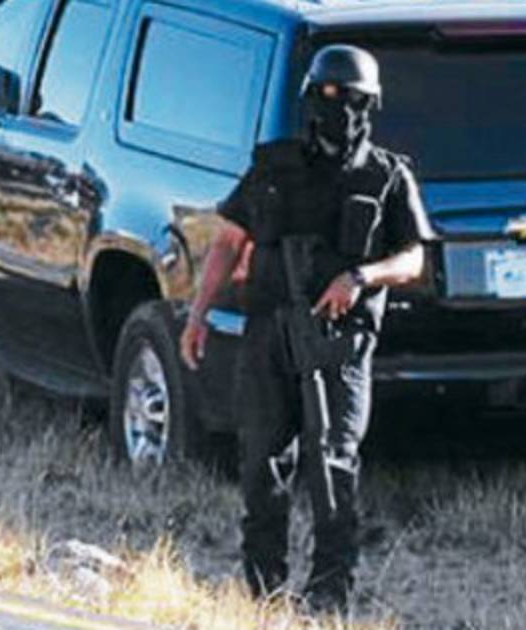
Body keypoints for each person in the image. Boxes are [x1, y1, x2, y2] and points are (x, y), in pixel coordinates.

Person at [179, 44, 431, 612]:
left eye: (351, 99)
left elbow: (413, 259)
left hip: (340, 341)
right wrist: (197, 315)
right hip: (269, 334)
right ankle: (263, 593)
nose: (336, 109)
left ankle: (328, 596)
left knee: (333, 463)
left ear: (371, 106)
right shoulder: (274, 167)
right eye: (326, 96)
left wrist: (360, 278)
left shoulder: (386, 176)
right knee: (261, 462)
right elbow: (227, 243)